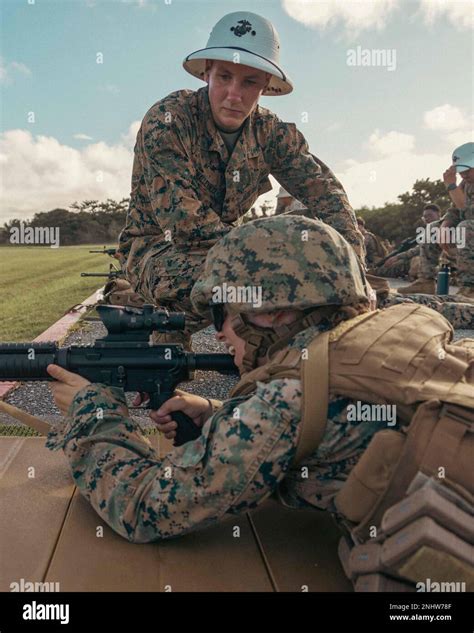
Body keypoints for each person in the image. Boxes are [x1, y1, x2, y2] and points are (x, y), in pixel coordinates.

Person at [45, 215, 473, 592]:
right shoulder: (389, 327)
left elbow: (142, 507)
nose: (220, 334)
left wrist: (90, 412)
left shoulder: (284, 402)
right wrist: (220, 415)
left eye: (221, 314)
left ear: (270, 313)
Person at [117, 11, 364, 350]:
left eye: (249, 82)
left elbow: (328, 195)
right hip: (159, 249)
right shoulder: (169, 120)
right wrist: (280, 259)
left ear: (265, 85)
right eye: (225, 77)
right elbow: (185, 223)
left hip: (234, 249)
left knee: (309, 246)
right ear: (207, 74)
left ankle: (270, 350)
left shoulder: (272, 133)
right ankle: (171, 326)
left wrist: (352, 268)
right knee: (260, 281)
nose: (234, 94)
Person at [439, 142, 474, 299]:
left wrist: (451, 186)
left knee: (464, 227)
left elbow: (467, 212)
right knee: (434, 228)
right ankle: (425, 279)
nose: (463, 174)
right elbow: (455, 209)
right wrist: (445, 224)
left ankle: (470, 287)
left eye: (467, 169)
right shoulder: (467, 183)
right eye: (461, 170)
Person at [374, 205, 441, 282]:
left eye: (430, 216)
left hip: (436, 261)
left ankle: (376, 272)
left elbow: (418, 249)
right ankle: (375, 271)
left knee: (402, 264)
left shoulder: (440, 229)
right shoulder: (427, 231)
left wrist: (398, 257)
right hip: (428, 259)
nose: (427, 219)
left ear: (439, 215)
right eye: (425, 217)